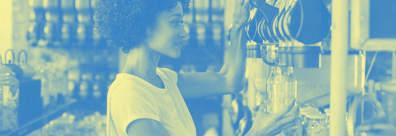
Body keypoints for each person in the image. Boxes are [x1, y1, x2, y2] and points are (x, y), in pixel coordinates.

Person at [95, 0, 297, 135]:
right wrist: (257, 132)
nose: (184, 32)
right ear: (143, 26)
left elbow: (229, 80)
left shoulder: (164, 80)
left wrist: (238, 26)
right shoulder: (129, 95)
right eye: (175, 23)